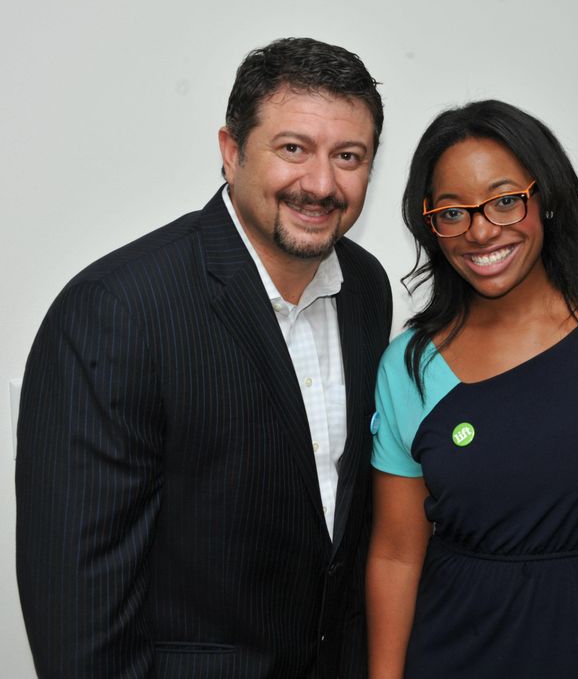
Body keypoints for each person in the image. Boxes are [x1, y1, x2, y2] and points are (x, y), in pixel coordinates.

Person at [16, 37, 391, 678]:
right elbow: (78, 611)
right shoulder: (116, 310)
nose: (321, 184)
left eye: (348, 156)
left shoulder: (366, 289)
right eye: (293, 148)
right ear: (231, 151)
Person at [365, 100, 578, 678]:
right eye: (453, 212)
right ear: (430, 223)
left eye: (505, 201)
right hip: (455, 657)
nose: (480, 231)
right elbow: (396, 555)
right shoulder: (410, 366)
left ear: (546, 197)